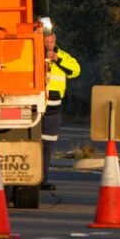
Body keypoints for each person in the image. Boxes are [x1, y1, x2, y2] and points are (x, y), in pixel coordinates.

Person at [40, 18, 80, 191]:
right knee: (35, 143)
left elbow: (75, 70)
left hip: (54, 107)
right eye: (46, 38)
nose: (50, 41)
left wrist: (57, 60)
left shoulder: (62, 55)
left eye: (52, 38)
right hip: (36, 105)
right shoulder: (32, 55)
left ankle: (43, 179)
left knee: (48, 146)